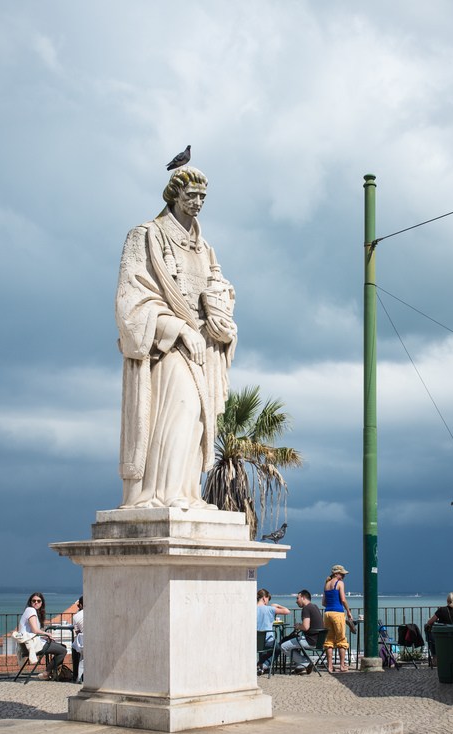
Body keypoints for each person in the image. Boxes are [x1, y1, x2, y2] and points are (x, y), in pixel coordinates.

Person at [116, 165, 237, 509]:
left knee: (199, 417)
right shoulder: (145, 235)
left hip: (204, 349)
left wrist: (223, 322)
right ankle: (162, 493)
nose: (198, 202)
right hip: (166, 348)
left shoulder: (206, 249)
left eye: (203, 197)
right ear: (175, 194)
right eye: (192, 195)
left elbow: (219, 293)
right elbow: (131, 300)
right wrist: (179, 328)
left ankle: (186, 492)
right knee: (182, 407)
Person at [17, 593, 67, 680]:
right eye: (34, 601)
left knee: (62, 646)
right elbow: (35, 630)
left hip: (27, 645)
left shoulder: (29, 611)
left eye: (38, 601)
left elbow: (32, 632)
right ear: (30, 602)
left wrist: (43, 637)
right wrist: (47, 634)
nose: (36, 602)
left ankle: (54, 674)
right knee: (63, 651)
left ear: (41, 603)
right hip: (31, 645)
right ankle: (47, 673)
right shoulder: (31, 610)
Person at [280, 590, 325, 674]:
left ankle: (305, 662)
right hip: (319, 641)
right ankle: (301, 666)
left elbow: (305, 627)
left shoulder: (306, 608)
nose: (296, 601)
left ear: (303, 598)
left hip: (310, 641)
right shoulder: (314, 606)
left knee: (283, 646)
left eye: (297, 598)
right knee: (293, 643)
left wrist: (298, 626)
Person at [322, 565, 353, 673]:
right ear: (336, 574)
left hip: (327, 613)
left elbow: (323, 603)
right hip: (337, 613)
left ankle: (330, 667)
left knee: (329, 640)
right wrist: (348, 612)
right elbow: (343, 599)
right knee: (341, 639)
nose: (344, 576)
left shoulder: (326, 584)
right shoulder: (340, 583)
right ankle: (342, 665)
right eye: (342, 574)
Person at [255, 589, 290, 675]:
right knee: (278, 648)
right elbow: (287, 611)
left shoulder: (252, 609)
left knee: (262, 649)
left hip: (254, 641)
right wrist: (277, 605)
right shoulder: (270, 609)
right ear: (264, 598)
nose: (268, 602)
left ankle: (260, 665)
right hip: (268, 641)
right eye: (268, 599)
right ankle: (264, 665)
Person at [424, 592, 453, 666]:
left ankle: (435, 657)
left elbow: (430, 622)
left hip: (441, 639)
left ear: (447, 600)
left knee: (428, 630)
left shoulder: (441, 610)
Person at [70, 596, 83, 682]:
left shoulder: (76, 616)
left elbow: (77, 632)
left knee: (74, 648)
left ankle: (76, 675)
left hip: (85, 645)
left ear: (81, 605)